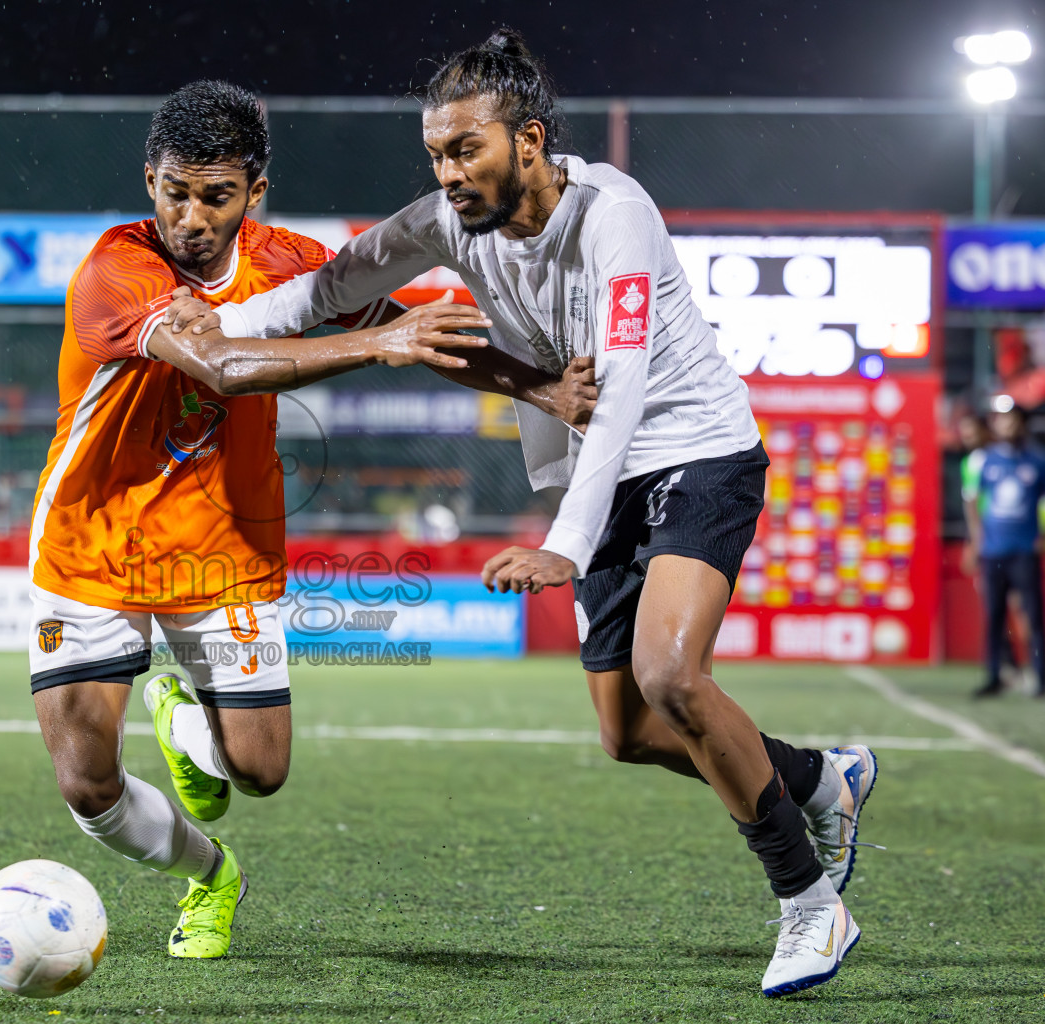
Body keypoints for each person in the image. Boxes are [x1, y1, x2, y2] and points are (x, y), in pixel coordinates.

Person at [164, 32, 879, 996]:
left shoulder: (614, 214)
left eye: (467, 150)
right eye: (436, 155)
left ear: (530, 141)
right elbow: (335, 289)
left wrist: (565, 546)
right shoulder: (448, 221)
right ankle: (821, 781)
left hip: (698, 451)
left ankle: (807, 903)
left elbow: (619, 390)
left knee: (673, 675)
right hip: (602, 471)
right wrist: (220, 325)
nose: (448, 173)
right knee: (628, 731)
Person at [27, 79, 596, 961]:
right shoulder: (116, 271)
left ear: (254, 192)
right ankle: (208, 874)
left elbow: (423, 334)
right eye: (175, 191)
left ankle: (181, 712)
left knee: (260, 771)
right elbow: (218, 366)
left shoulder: (292, 262)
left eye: (215, 196)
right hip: (92, 543)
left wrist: (542, 387)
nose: (191, 217)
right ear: (150, 182)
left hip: (225, 551)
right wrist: (373, 345)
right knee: (87, 785)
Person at [962, 403, 1045, 698]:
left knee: (1034, 615)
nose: (1005, 424)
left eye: (1010, 419)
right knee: (994, 615)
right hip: (993, 550)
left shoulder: (1037, 461)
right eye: (1001, 419)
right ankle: (995, 674)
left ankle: (1040, 677)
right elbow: (973, 502)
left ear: (1021, 422)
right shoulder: (984, 460)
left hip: (1024, 550)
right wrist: (976, 541)